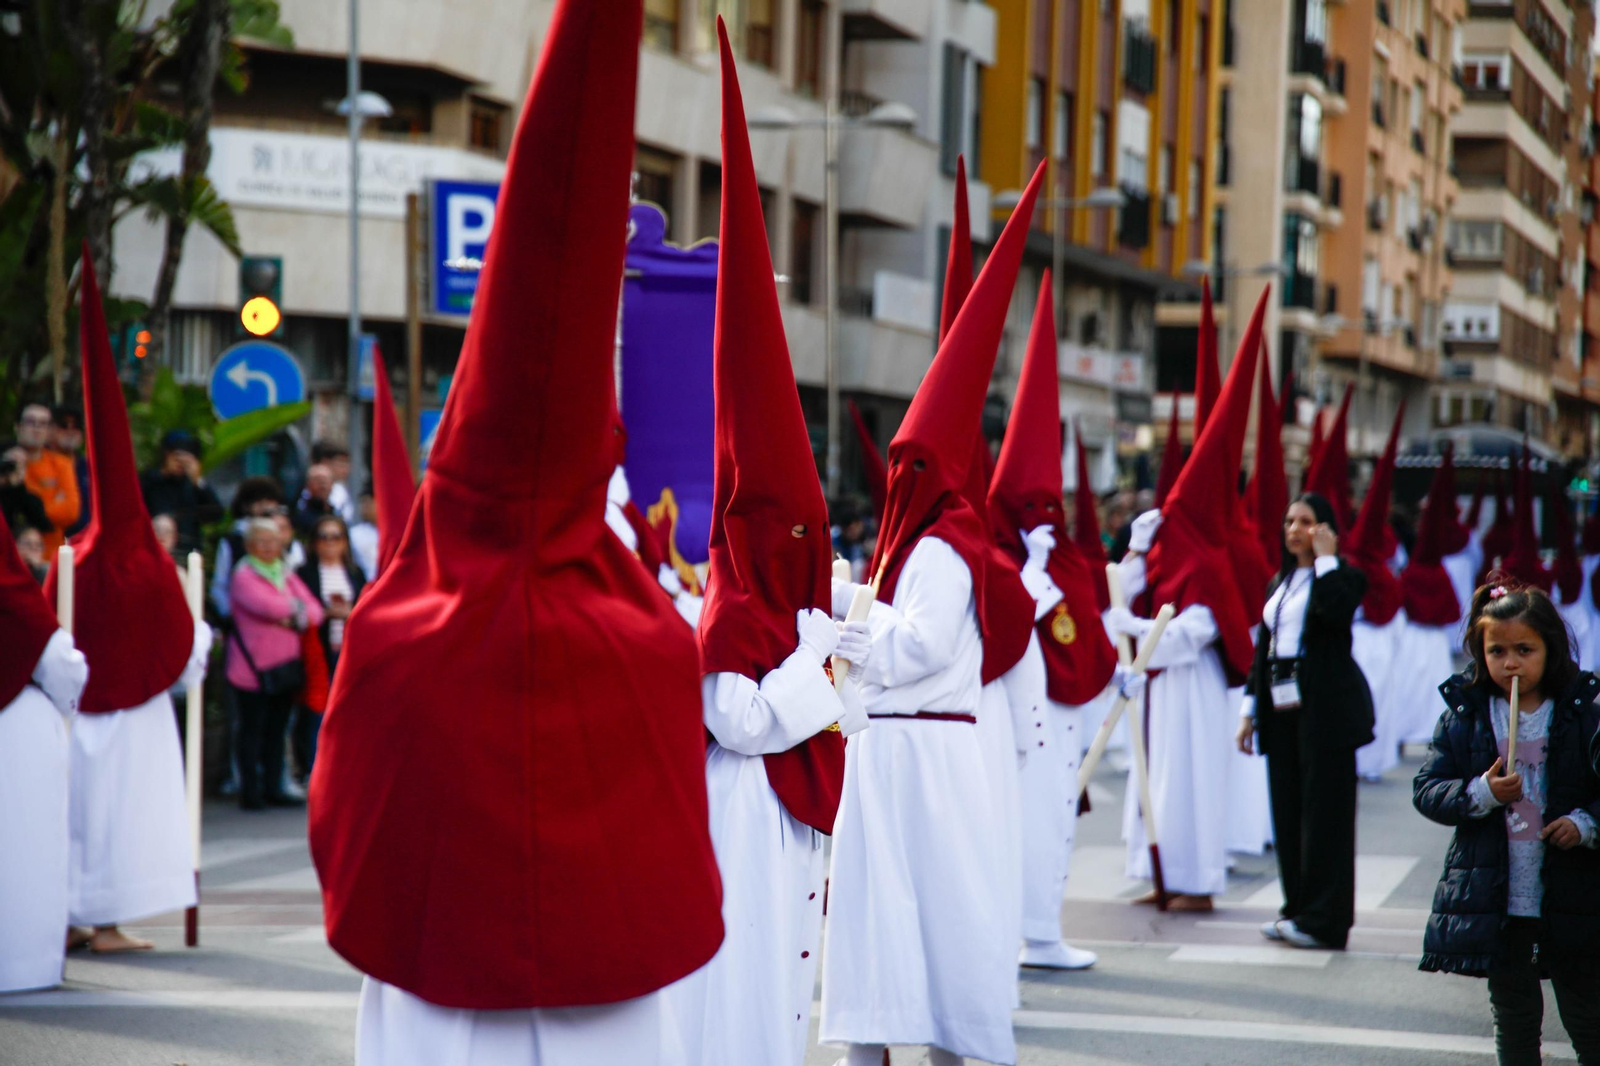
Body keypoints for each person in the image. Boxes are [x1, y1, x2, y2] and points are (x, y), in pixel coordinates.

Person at [308, 6, 725, 1061]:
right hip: (611, 1011)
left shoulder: (393, 630)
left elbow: (343, 819)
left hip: (434, 999)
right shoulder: (649, 638)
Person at [662, 41, 872, 1063]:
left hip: (779, 810)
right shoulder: (729, 611)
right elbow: (736, 717)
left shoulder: (778, 607)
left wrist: (831, 657)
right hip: (739, 808)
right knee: (743, 971)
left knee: (786, 956)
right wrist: (809, 664)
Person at [821, 158, 1045, 1066]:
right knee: (880, 911)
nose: (899, 477)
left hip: (927, 751)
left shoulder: (947, 547)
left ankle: (956, 1045)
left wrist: (841, 620)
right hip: (894, 750)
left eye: (916, 463)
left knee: (943, 910)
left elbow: (917, 647)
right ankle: (872, 1043)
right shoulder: (915, 543)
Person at [48, 258, 211, 956]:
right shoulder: (143, 561)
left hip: (77, 715)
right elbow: (185, 646)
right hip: (134, 716)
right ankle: (105, 924)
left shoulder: (73, 559)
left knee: (74, 817)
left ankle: (74, 919)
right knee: (115, 819)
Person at [1107, 291, 1270, 913]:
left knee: (1189, 783)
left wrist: (1134, 626)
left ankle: (1195, 882)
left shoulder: (1206, 563)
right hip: (1157, 687)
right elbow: (1131, 592)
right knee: (1156, 784)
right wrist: (1131, 557)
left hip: (1190, 686)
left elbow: (1197, 628)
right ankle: (1159, 871)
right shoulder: (1168, 553)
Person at [989, 277, 1120, 971]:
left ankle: (1043, 928)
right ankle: (1028, 932)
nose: (1047, 513)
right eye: (1030, 503)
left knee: (1056, 826)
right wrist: (1028, 581)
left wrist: (1114, 669)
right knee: (1030, 826)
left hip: (1066, 716)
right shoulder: (1005, 554)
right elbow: (1016, 621)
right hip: (1024, 718)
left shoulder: (1059, 550)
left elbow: (1085, 623)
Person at [1414, 580, 1600, 1065]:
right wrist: (1479, 792)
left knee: (1588, 1018)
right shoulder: (1467, 716)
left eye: (1524, 649)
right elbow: (1428, 787)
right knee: (1515, 1019)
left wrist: (1584, 824)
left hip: (1572, 898)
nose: (1511, 663)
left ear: (1550, 649)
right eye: (1497, 651)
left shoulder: (1583, 716)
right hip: (1501, 899)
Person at [1238, 494, 1372, 950]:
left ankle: (1325, 921)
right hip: (1281, 707)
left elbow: (1335, 612)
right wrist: (1249, 710)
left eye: (1307, 522)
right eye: (1290, 520)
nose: (1296, 529)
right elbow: (1264, 648)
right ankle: (1295, 908)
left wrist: (1328, 560)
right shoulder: (1282, 580)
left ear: (1327, 530)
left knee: (1325, 815)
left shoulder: (1342, 577)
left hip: (1326, 710)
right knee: (1289, 809)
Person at [0, 519, 89, 992]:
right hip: (17, 728)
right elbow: (60, 664)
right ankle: (24, 960)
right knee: (24, 845)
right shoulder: (14, 598)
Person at [226, 517, 323, 810]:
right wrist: (295, 612)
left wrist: (292, 614)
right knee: (252, 729)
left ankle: (273, 786)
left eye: (273, 542)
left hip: (286, 668)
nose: (269, 548)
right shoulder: (243, 575)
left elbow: (316, 611)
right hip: (252, 670)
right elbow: (268, 606)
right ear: (249, 546)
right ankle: (250, 791)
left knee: (277, 730)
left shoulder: (285, 572)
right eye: (262, 543)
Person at [294, 515, 364, 784]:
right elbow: (300, 608)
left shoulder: (355, 573)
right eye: (324, 536)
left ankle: (344, 767)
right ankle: (313, 768)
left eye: (336, 536)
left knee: (347, 712)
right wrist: (324, 613)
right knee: (315, 711)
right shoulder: (305, 573)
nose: (330, 542)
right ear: (314, 543)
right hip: (317, 651)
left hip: (349, 651)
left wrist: (351, 613)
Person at [211, 477, 301, 619]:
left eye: (270, 502)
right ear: (246, 506)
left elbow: (297, 578)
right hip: (243, 615)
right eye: (259, 502)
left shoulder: (290, 540)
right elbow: (220, 584)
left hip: (284, 617)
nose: (265, 507)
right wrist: (230, 614)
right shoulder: (233, 541)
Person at [138, 430, 220, 554]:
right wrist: (165, 471)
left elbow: (215, 515)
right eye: (177, 458)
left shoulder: (193, 486)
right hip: (155, 549)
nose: (181, 464)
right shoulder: (151, 481)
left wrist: (197, 481)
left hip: (187, 550)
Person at [14, 402, 80, 557]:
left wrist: (32, 511)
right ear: (17, 427)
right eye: (30, 422)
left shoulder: (62, 464)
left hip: (50, 557)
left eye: (43, 423)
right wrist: (52, 503)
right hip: (10, 557)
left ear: (49, 430)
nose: (36, 428)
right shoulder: (7, 461)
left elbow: (71, 511)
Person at [52, 405, 91, 537]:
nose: (70, 430)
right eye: (63, 425)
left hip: (88, 543)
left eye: (76, 426)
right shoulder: (39, 463)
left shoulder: (90, 468)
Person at [2, 446, 51, 542]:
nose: (12, 469)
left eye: (19, 465)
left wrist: (18, 486)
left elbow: (44, 525)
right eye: (10, 463)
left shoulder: (31, 498)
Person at [311, 440, 357, 525]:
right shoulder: (307, 491)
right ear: (325, 462)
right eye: (341, 463)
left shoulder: (341, 491)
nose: (346, 470)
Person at [348, 489, 380, 581]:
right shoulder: (353, 534)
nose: (365, 507)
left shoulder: (397, 532)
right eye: (362, 503)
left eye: (369, 502)